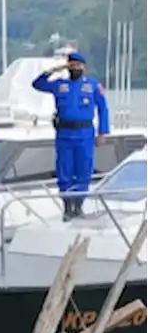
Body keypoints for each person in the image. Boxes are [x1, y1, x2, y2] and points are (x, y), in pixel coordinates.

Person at [32, 51, 110, 221]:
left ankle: (79, 205)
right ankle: (67, 206)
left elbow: (103, 109)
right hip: (64, 134)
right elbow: (37, 84)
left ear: (84, 67)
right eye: (72, 65)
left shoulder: (92, 85)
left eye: (78, 65)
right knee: (64, 170)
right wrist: (54, 69)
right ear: (68, 67)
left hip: (85, 134)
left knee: (84, 170)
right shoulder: (60, 84)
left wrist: (102, 132)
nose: (75, 68)